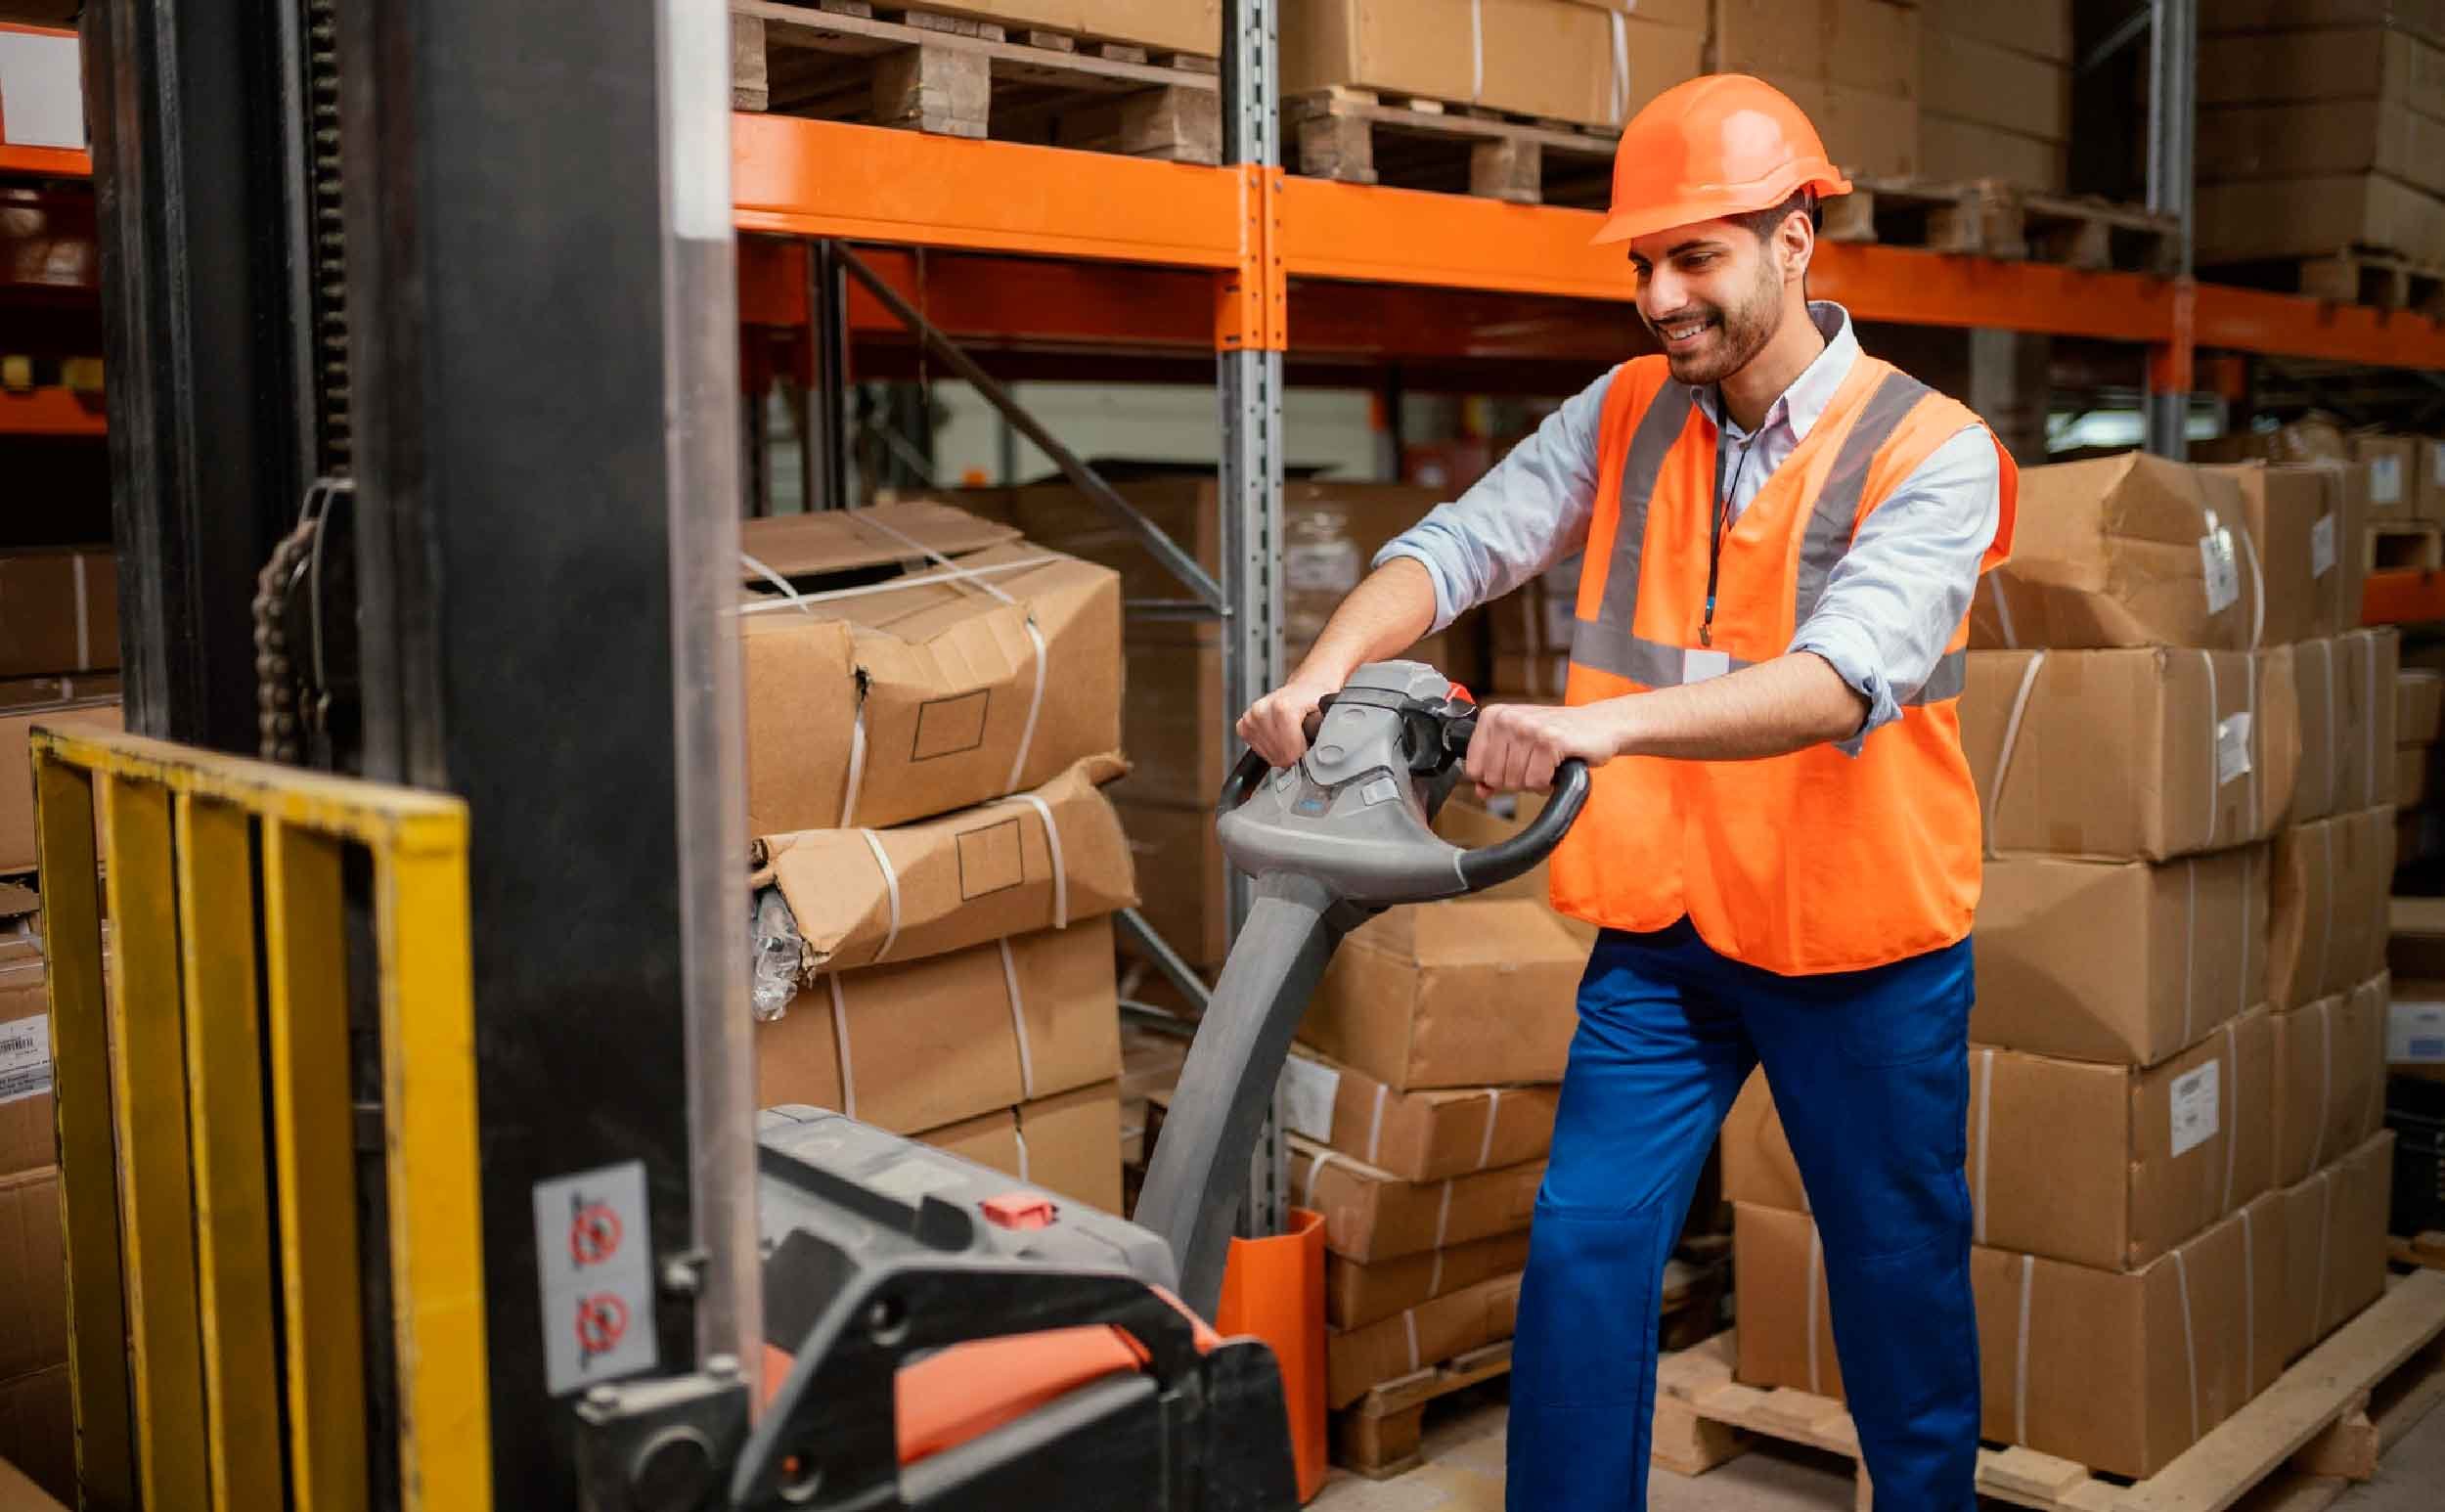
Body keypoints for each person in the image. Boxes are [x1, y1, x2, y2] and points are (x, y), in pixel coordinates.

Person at [1238, 74, 2019, 1510]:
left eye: (1696, 256)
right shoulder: (1627, 412)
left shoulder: (1933, 450)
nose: (1660, 296)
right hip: (1664, 937)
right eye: (1641, 264)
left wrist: (1598, 734)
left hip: (1861, 944)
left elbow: (1845, 677)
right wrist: (1324, 669)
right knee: (1586, 1250)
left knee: (1898, 1281)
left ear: (1796, 239)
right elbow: (1467, 542)